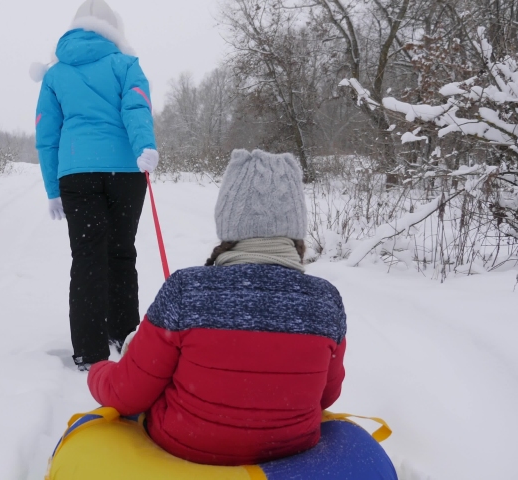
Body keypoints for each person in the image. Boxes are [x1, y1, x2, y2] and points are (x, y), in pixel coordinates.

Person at [87, 149, 348, 466]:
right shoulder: (326, 300)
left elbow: (127, 395)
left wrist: (99, 371)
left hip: (188, 449)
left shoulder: (186, 289)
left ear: (228, 220)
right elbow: (326, 396)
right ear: (296, 227)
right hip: (290, 450)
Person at [33, 0, 158, 371]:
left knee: (87, 257)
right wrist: (144, 146)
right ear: (114, 29)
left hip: (76, 174)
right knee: (121, 252)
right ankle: (125, 334)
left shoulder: (55, 75)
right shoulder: (125, 64)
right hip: (126, 171)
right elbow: (137, 108)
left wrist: (52, 187)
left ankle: (89, 351)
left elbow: (46, 133)